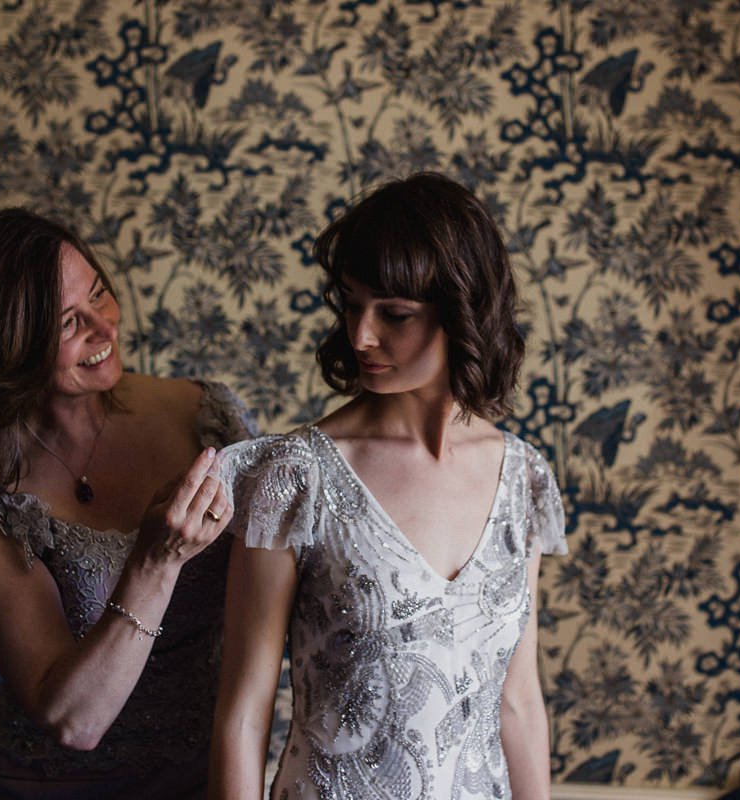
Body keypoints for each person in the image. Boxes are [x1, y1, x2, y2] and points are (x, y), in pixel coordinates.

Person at [208, 172, 567, 800]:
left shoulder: (525, 481)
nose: (361, 335)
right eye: (351, 304)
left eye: (394, 314)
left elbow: (518, 702)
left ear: (464, 313)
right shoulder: (298, 476)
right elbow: (244, 711)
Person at [0, 208, 256, 799]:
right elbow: (73, 721)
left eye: (99, 295)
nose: (102, 328)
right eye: (67, 323)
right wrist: (155, 561)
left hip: (207, 778)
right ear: (5, 346)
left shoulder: (205, 416)